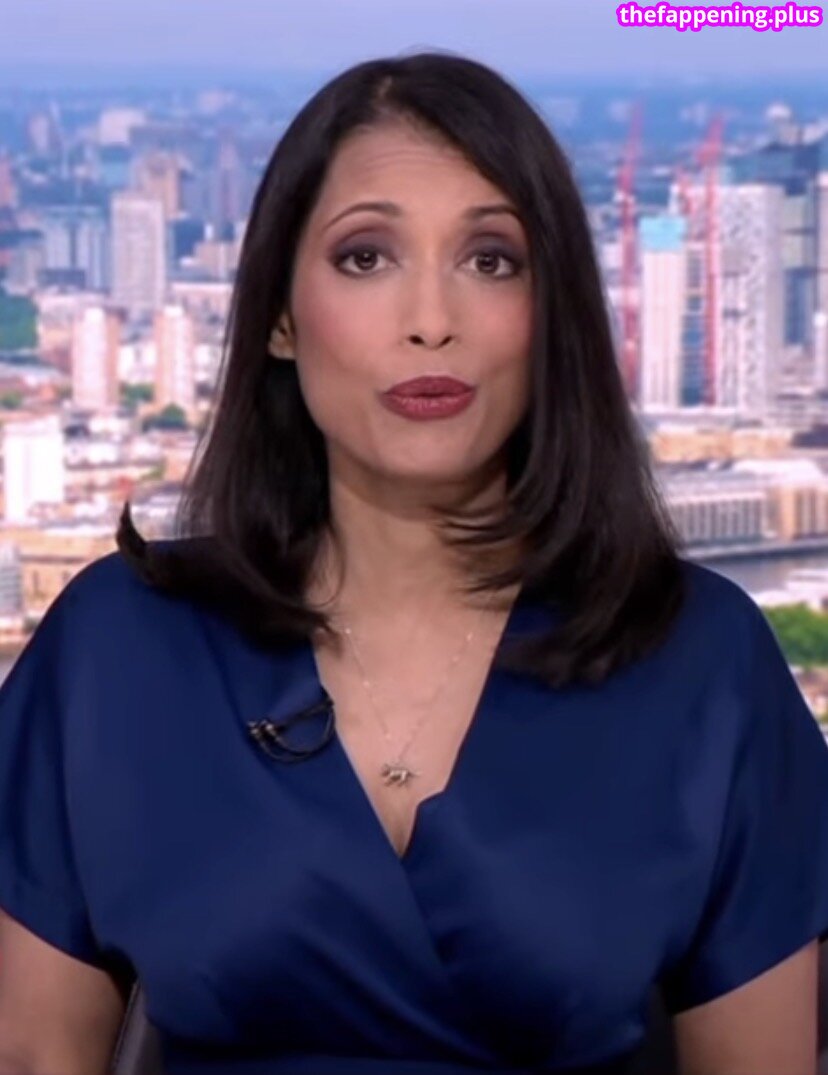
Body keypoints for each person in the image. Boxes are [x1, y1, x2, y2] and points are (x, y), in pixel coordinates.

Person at [1, 50, 828, 1075]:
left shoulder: (701, 663)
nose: (431, 321)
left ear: (552, 315)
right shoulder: (119, 649)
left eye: (491, 261)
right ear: (280, 316)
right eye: (366, 258)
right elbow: (33, 1053)